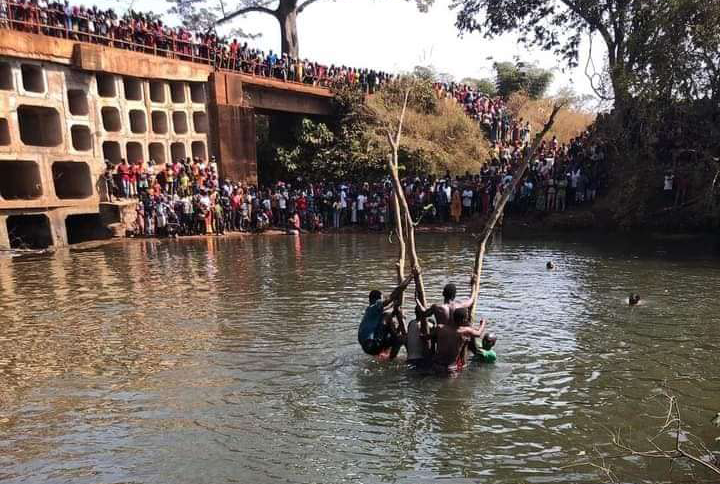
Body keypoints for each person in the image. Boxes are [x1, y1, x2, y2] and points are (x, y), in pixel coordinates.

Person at [358, 271, 414, 358]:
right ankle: (392, 354)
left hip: (367, 347)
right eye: (382, 298)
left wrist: (395, 310)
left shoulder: (370, 311)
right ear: (379, 299)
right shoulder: (375, 306)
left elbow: (387, 309)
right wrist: (411, 276)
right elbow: (395, 293)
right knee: (388, 318)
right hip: (372, 345)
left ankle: (389, 354)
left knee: (389, 318)